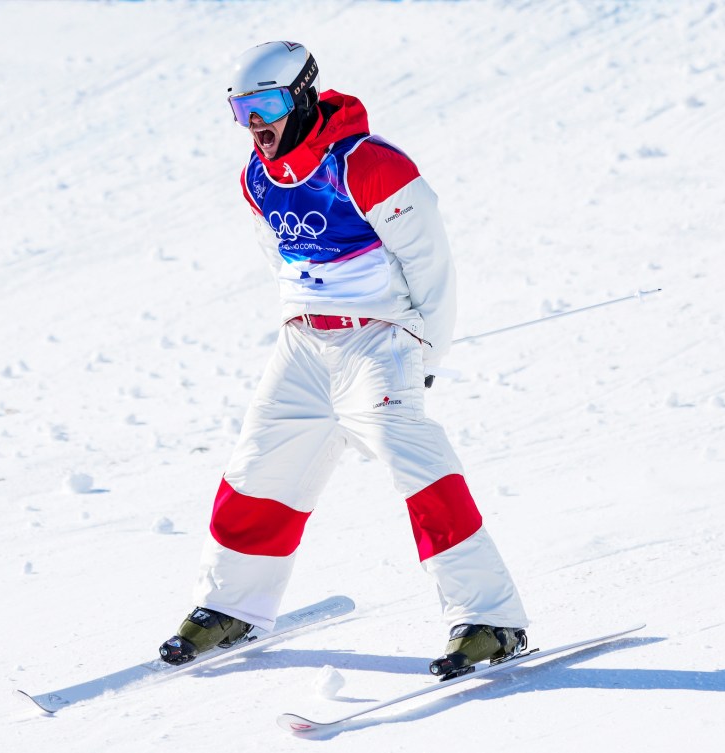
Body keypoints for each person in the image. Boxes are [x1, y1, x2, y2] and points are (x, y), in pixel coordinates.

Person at [159, 41, 529, 677]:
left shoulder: (369, 164)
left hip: (376, 341)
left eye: (266, 105)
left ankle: (490, 619)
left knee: (418, 467)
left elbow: (431, 263)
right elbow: (280, 256)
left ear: (301, 95)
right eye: (240, 110)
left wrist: (423, 350)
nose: (254, 123)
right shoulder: (255, 177)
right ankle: (230, 607)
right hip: (304, 343)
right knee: (257, 468)